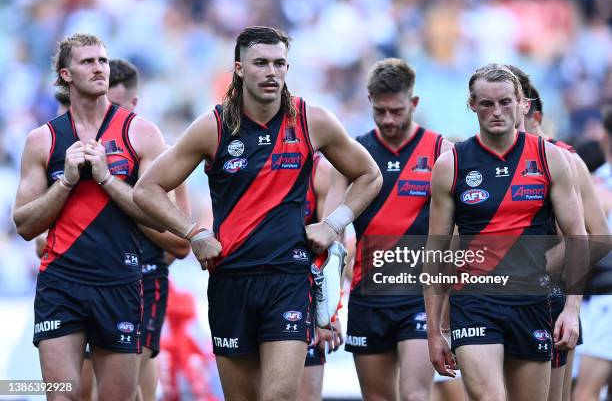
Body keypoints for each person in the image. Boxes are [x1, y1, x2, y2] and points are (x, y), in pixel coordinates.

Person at [133, 26, 381, 400]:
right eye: (261, 63)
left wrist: (334, 224)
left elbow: (369, 175)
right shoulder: (213, 127)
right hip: (231, 278)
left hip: (289, 279)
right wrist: (194, 233)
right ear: (238, 69)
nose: (272, 72)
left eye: (279, 63)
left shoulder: (311, 120)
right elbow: (146, 190)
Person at [13, 33, 165, 400]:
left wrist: (106, 178)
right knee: (63, 394)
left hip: (120, 281)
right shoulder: (43, 140)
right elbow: (24, 224)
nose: (99, 68)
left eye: (103, 60)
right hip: (61, 282)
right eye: (87, 62)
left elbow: (159, 217)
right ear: (65, 74)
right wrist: (65, 181)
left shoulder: (140, 132)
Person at [425, 63, 585, 401]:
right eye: (486, 103)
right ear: (472, 105)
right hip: (474, 300)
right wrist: (435, 328)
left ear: (523, 104)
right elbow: (435, 252)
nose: (496, 111)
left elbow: (578, 237)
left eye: (505, 102)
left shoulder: (550, 158)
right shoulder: (451, 164)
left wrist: (571, 310)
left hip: (531, 300)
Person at [326, 58, 452, 400]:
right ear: (369, 100)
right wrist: (328, 305)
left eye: (397, 111)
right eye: (380, 111)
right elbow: (331, 229)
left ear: (413, 103)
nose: (388, 120)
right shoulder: (354, 152)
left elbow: (457, 232)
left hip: (419, 296)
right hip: (369, 295)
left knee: (415, 394)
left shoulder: (442, 151)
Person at [514, 72, 609, 401]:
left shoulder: (565, 160)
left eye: (515, 117)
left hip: (549, 299)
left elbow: (599, 236)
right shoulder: (479, 161)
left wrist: (542, 268)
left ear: (533, 116)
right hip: (493, 301)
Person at [108, 58, 192, 401]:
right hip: (89, 281)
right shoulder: (76, 154)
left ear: (134, 104)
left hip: (143, 281)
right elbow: (39, 241)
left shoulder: (162, 158)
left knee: (128, 387)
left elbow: (180, 245)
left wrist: (124, 201)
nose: (105, 116)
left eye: (114, 106)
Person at [573, 105, 612, 401]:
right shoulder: (598, 183)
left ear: (604, 139)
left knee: (586, 389)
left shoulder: (596, 185)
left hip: (604, 300)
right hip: (599, 296)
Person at [298, 152, 344, 401]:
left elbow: (331, 247)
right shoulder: (249, 158)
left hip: (302, 298)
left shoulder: (319, 171)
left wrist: (327, 313)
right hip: (251, 293)